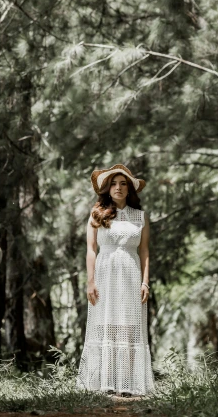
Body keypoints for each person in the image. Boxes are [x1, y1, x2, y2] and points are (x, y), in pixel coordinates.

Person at [77, 164, 154, 396]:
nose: (118, 188)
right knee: (106, 326)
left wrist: (145, 281)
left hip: (130, 273)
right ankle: (105, 382)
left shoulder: (140, 217)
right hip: (104, 273)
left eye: (123, 183)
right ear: (107, 189)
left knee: (129, 327)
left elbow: (145, 251)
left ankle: (128, 384)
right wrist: (90, 281)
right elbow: (91, 250)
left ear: (129, 189)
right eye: (113, 183)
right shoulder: (96, 215)